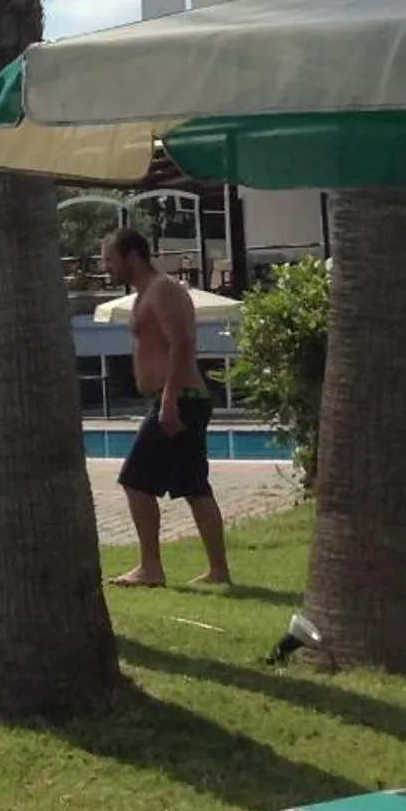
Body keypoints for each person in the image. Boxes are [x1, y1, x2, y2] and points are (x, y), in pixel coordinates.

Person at [102, 229, 232, 588]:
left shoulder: (163, 290)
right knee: (194, 486)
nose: (106, 267)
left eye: (110, 259)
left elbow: (183, 344)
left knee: (135, 481)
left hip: (179, 400)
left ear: (132, 257)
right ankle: (219, 571)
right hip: (176, 399)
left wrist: (170, 400)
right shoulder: (147, 293)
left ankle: (151, 568)